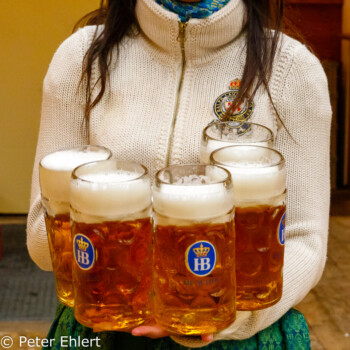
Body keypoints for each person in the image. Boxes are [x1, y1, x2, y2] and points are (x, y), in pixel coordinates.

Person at [27, 0, 332, 348]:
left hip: (240, 338)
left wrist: (213, 317)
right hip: (103, 329)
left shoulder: (292, 69)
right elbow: (41, 240)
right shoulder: (82, 57)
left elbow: (305, 241)